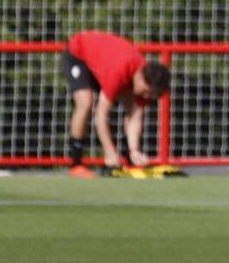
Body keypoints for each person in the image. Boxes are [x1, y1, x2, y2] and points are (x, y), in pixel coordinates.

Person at [61, 30, 170, 176]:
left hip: (102, 61)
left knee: (132, 104)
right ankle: (76, 164)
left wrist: (134, 150)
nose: (146, 96)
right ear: (140, 77)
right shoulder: (119, 71)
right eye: (146, 91)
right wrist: (109, 151)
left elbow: (135, 116)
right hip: (78, 53)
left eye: (151, 94)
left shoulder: (144, 78)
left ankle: (129, 157)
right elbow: (101, 115)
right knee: (86, 102)